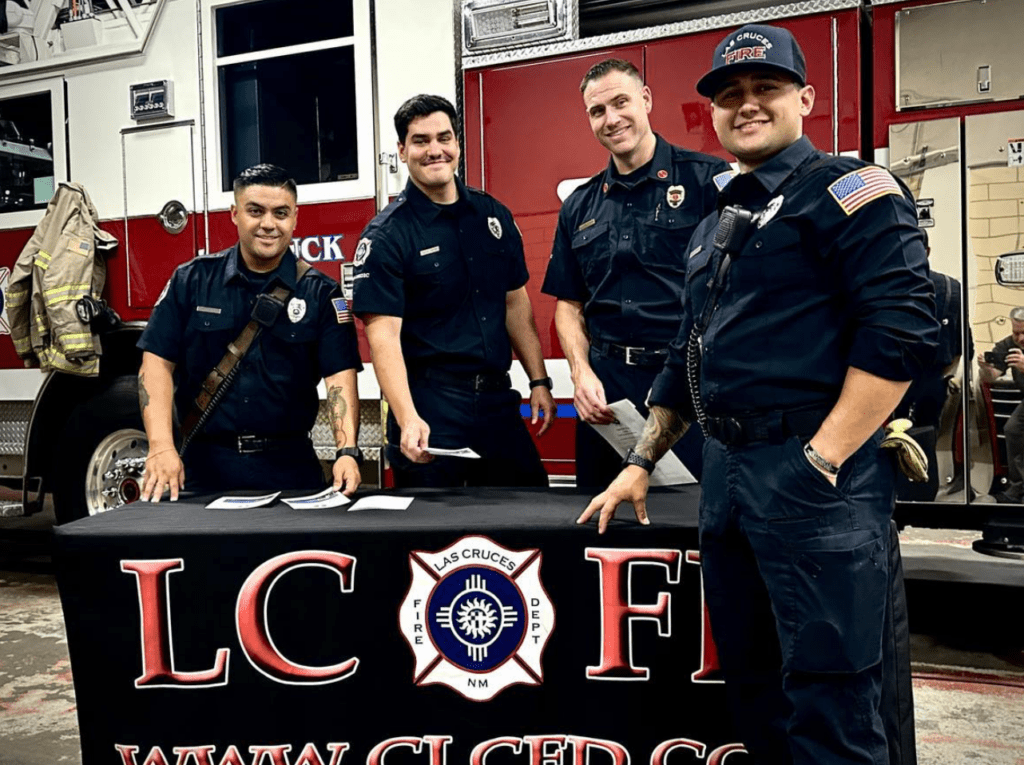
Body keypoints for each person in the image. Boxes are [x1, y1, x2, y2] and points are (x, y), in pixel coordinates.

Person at [578, 24, 937, 765]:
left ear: (805, 97)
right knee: (757, 695)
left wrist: (823, 460)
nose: (746, 104)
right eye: (729, 94)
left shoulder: (853, 192)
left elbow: (901, 334)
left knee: (833, 704)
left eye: (765, 88)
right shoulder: (714, 222)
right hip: (729, 479)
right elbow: (688, 356)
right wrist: (643, 458)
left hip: (814, 478)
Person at [542, 58, 731, 487]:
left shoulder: (707, 182)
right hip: (608, 392)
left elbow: (734, 290)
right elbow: (568, 305)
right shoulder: (580, 206)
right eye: (597, 111)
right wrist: (581, 371)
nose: (611, 119)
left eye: (620, 102)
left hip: (686, 382)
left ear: (645, 100)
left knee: (689, 519)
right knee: (601, 521)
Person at [352, 94, 553, 488]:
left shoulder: (493, 214)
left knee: (530, 512)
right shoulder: (388, 235)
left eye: (444, 138)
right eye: (421, 141)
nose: (434, 150)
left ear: (458, 144)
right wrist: (407, 417)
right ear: (402, 150)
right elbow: (384, 338)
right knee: (432, 535)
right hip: (431, 406)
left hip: (497, 401)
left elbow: (515, 302)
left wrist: (539, 380)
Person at [137, 164, 363, 501]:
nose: (269, 224)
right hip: (200, 470)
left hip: (290, 470)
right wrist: (159, 447)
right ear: (234, 213)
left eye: (281, 213)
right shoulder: (191, 281)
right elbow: (156, 365)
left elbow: (339, 379)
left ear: (295, 218)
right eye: (255, 211)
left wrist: (347, 451)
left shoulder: (320, 293)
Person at [977, 306, 1024, 503]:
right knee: (1013, 429)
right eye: (1016, 333)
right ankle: (1017, 488)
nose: (1020, 338)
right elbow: (992, 376)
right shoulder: (1008, 344)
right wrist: (985, 369)